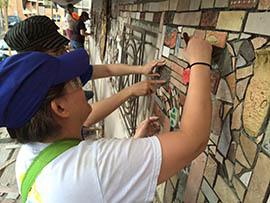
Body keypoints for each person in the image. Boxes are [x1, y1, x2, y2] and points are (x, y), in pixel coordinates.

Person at [0, 37, 212, 202]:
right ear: (60, 108)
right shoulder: (91, 169)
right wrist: (200, 60)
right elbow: (194, 140)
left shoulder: (29, 157)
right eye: (75, 82)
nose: (83, 88)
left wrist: (134, 145)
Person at [4, 15, 165, 128]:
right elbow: (84, 117)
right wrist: (129, 91)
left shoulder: (59, 71)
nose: (65, 54)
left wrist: (141, 69)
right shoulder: (35, 98)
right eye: (58, 50)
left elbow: (107, 69)